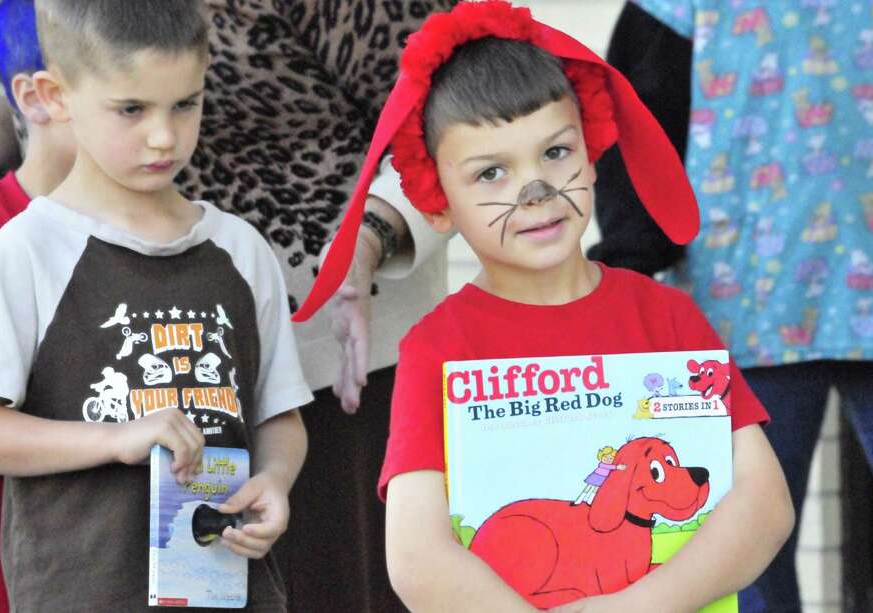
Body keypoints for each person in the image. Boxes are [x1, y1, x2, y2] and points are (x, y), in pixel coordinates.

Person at [294, 2, 794, 611]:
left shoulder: (668, 318)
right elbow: (417, 558)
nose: (535, 192)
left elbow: (764, 503)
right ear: (436, 198)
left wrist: (633, 607)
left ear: (591, 145)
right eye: (491, 173)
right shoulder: (438, 349)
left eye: (556, 153)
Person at [0, 2, 456, 610]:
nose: (164, 137)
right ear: (52, 96)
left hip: (232, 589)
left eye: (186, 104)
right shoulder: (25, 251)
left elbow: (279, 417)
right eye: (131, 109)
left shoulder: (241, 250)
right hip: (81, 591)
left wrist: (275, 483)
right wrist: (113, 438)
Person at [590, 3, 873, 611]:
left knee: (749, 557)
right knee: (747, 553)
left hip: (750, 294)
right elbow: (636, 122)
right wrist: (629, 262)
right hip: (743, 306)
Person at [0, 2, 76, 610]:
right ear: (39, 96)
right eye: (125, 104)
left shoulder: (197, 241)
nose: (157, 135)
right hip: (12, 570)